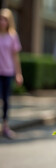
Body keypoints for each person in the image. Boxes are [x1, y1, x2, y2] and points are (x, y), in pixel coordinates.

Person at [0, 8, 23, 139]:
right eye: (0, 19)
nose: (2, 22)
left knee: (6, 100)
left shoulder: (12, 35)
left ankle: (5, 126)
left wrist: (18, 74)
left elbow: (15, 57)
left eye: (5, 19)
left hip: (7, 72)